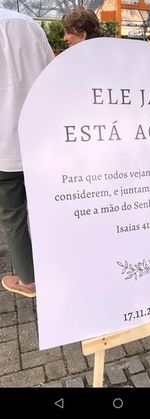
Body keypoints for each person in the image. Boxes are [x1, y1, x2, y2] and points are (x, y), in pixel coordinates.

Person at [0, 6, 54, 298]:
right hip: (42, 138)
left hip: (3, 145)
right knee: (51, 206)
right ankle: (63, 266)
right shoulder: (29, 25)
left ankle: (29, 279)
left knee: (13, 214)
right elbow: (52, 77)